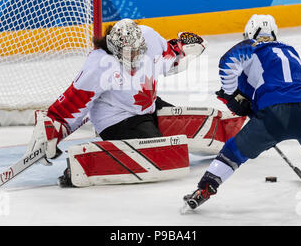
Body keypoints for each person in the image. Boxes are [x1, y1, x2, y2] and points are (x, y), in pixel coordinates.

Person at [183, 14, 301, 210]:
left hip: (274, 115)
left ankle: (205, 188)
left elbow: (227, 63)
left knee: (233, 153)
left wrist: (230, 94)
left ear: (249, 33)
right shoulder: (290, 51)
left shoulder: (250, 47)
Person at [24, 18, 207, 186]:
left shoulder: (148, 37)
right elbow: (74, 101)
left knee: (185, 124)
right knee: (163, 158)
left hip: (146, 107)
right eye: (129, 53)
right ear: (115, 48)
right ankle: (82, 163)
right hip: (117, 119)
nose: (135, 56)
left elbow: (167, 58)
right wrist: (51, 125)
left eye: (138, 50)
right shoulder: (100, 64)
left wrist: (183, 48)